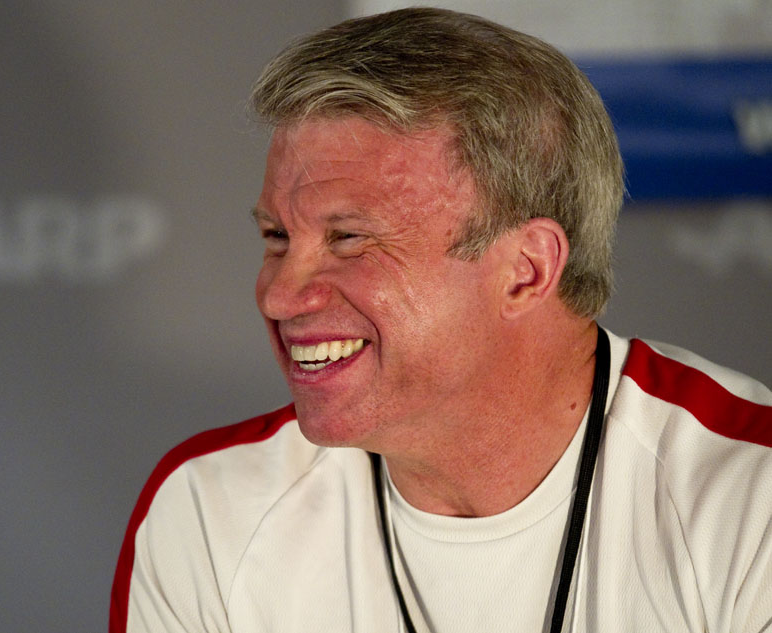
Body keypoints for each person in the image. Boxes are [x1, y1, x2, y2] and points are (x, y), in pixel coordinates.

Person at [110, 8, 772, 632]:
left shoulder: (749, 495)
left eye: (349, 240)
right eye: (277, 236)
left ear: (526, 270)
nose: (280, 295)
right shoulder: (209, 510)